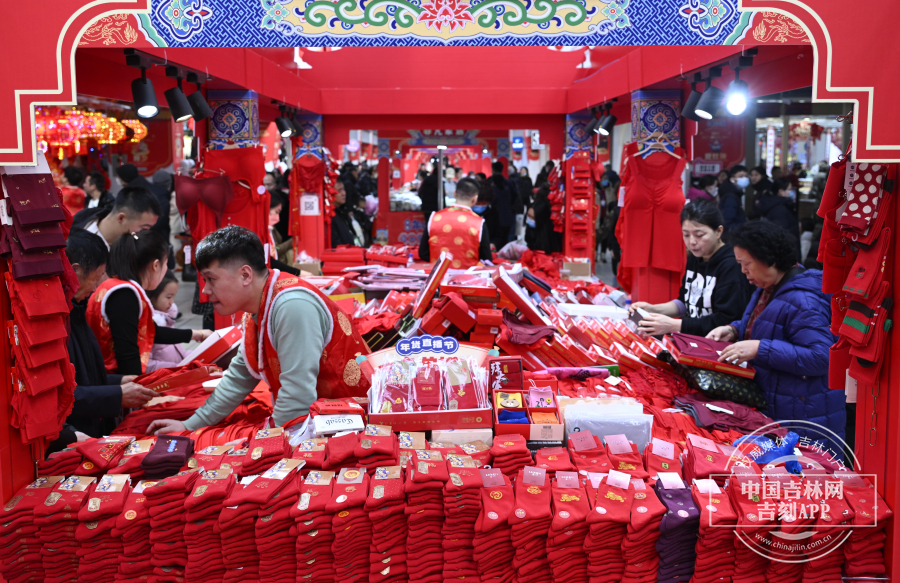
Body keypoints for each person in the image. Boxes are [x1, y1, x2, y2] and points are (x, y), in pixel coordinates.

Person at [145, 226, 370, 434]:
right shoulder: (261, 303)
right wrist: (189, 425)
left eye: (211, 279)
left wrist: (268, 445)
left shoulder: (291, 305)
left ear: (245, 275)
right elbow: (239, 376)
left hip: (348, 423)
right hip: (316, 419)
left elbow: (296, 397)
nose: (205, 290)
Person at [707, 220, 844, 440]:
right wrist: (734, 329)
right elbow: (773, 325)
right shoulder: (770, 286)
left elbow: (821, 357)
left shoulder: (804, 300)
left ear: (769, 259)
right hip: (783, 407)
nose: (743, 271)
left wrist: (760, 349)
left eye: (746, 264)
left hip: (806, 417)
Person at [61, 229, 159, 444]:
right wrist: (117, 394)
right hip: (76, 434)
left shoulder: (76, 311)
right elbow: (62, 397)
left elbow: (88, 377)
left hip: (92, 426)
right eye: (96, 278)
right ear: (75, 272)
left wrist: (121, 381)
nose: (97, 287)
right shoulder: (59, 323)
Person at [86, 230, 208, 375]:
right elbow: (127, 353)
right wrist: (138, 386)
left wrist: (198, 334)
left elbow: (153, 332)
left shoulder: (119, 287)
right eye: (166, 264)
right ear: (156, 265)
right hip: (113, 379)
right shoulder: (124, 294)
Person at [630, 200, 752, 337]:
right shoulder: (696, 257)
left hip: (714, 342)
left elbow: (726, 320)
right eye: (686, 235)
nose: (691, 242)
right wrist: (653, 309)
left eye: (699, 235)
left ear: (718, 231)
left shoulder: (731, 265)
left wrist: (674, 325)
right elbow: (685, 302)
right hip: (690, 338)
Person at [419, 178, 491, 268]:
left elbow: (423, 253)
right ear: (475, 199)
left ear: (455, 193)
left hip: (439, 275)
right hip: (468, 276)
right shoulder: (479, 223)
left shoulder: (434, 217)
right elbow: (486, 260)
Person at [72, 185, 161, 250]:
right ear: (121, 218)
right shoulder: (75, 231)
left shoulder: (136, 249)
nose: (146, 233)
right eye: (144, 228)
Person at [115, 164, 171, 243]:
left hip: (145, 240)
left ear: (123, 179)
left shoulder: (130, 196)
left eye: (118, 177)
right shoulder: (158, 190)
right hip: (158, 239)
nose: (117, 179)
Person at [147, 270, 188, 372]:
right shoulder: (148, 325)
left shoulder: (166, 320)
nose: (172, 302)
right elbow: (147, 366)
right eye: (169, 297)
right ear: (151, 295)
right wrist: (178, 367)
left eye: (173, 297)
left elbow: (179, 352)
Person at [331, 181, 368, 247]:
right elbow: (336, 243)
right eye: (339, 191)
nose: (344, 193)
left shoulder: (343, 211)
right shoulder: (331, 217)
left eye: (344, 189)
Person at [489, 162, 514, 247]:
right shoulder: (508, 187)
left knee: (498, 239)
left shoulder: (494, 191)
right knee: (505, 239)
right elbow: (515, 196)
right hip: (508, 217)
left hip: (498, 218)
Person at [719, 164, 748, 237]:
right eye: (741, 176)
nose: (744, 179)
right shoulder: (731, 197)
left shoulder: (735, 194)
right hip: (732, 237)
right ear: (732, 179)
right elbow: (728, 221)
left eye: (746, 176)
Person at [525, 184, 553, 253]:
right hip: (547, 244)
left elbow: (529, 231)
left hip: (536, 244)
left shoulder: (533, 206)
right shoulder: (550, 208)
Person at [267, 192, 293, 264]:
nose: (277, 217)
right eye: (276, 212)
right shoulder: (263, 230)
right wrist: (292, 241)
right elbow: (276, 249)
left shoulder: (270, 228)